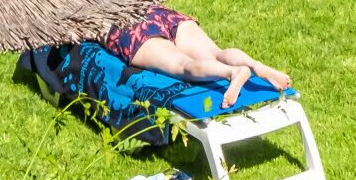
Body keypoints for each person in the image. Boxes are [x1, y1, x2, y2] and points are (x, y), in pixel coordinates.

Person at [97, 6, 289, 109]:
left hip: (128, 30)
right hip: (157, 12)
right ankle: (253, 65)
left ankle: (232, 72)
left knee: (184, 65)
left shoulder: (85, 2)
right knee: (216, 53)